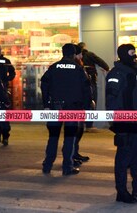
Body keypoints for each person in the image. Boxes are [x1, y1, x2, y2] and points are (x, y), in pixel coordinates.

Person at [106, 44, 137, 204]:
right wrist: (116, 121)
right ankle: (121, 192)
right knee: (123, 159)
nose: (134, 55)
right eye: (131, 52)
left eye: (135, 52)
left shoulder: (136, 69)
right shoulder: (116, 73)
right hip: (124, 123)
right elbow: (111, 99)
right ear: (122, 54)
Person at [40, 43, 91, 176]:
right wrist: (86, 107)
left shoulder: (54, 67)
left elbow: (44, 84)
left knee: (53, 137)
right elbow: (87, 89)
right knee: (69, 138)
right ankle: (67, 167)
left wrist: (46, 103)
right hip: (73, 108)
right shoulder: (78, 69)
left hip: (55, 107)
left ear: (62, 53)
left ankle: (47, 165)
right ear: (74, 54)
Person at [78, 42, 110, 132]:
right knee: (91, 102)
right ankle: (89, 125)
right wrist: (106, 69)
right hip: (90, 81)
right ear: (84, 47)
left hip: (79, 84)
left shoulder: (75, 58)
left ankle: (80, 124)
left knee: (79, 104)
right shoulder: (89, 55)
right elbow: (102, 62)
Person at [0, 44, 16, 146]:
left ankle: (5, 136)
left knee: (3, 115)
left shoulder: (5, 61)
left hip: (1, 90)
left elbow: (12, 72)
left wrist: (7, 79)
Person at [72, 44, 91, 165]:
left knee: (78, 130)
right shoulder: (77, 67)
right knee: (75, 131)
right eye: (80, 54)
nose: (81, 56)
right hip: (76, 104)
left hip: (76, 103)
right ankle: (71, 156)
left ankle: (74, 153)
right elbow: (84, 86)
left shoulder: (78, 66)